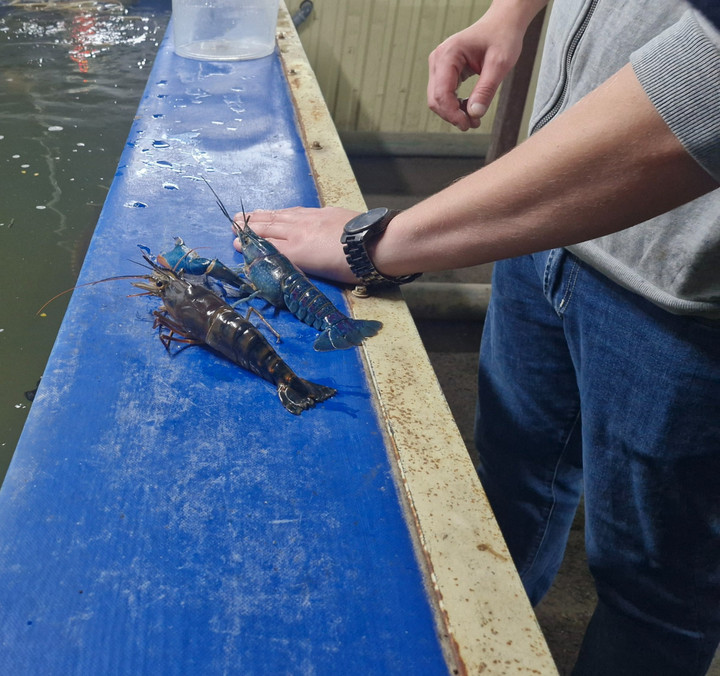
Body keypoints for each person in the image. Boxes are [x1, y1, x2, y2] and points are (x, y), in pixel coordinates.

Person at [234, 2, 720, 674]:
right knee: (511, 488)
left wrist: (379, 242)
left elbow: (709, 80)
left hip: (688, 289)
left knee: (653, 593)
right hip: (542, 230)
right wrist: (513, 11)